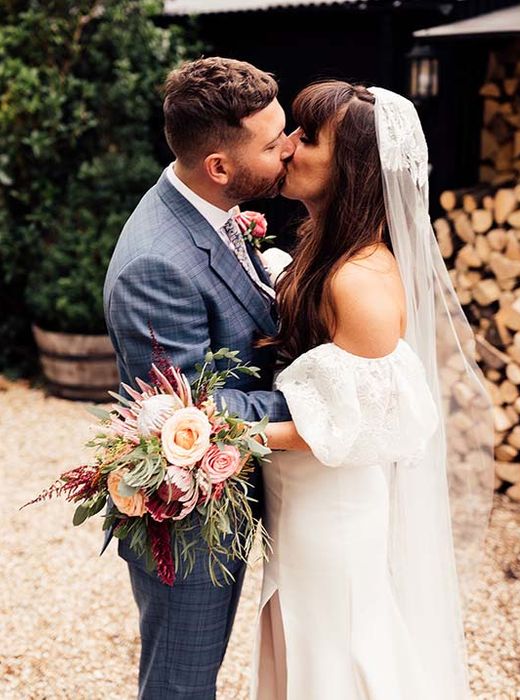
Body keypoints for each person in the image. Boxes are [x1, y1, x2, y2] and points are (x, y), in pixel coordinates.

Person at [251, 81, 495, 700]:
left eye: (307, 138)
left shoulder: (361, 279)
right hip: (301, 499)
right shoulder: (325, 253)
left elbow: (353, 425)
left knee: (340, 647)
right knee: (303, 640)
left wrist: (224, 437)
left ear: (353, 167)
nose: (286, 147)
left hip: (331, 508)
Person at [103, 57, 294, 699]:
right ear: (219, 166)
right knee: (181, 684)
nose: (289, 148)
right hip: (187, 520)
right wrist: (323, 395)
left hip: (237, 489)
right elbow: (193, 409)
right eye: (273, 144)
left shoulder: (212, 210)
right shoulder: (157, 263)